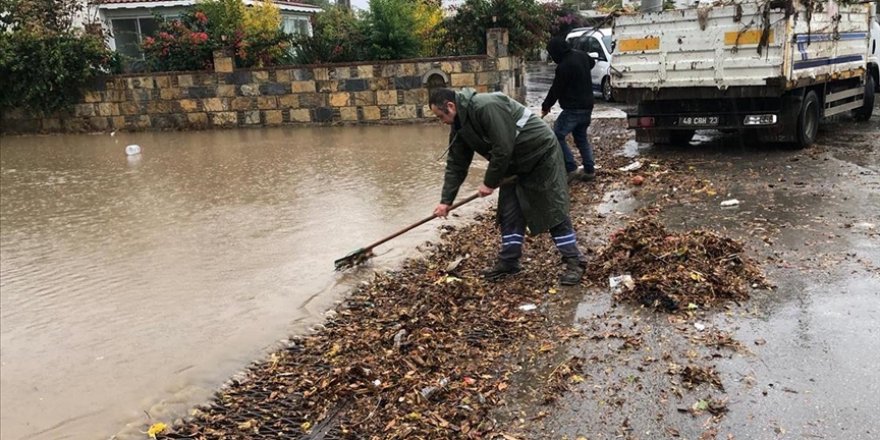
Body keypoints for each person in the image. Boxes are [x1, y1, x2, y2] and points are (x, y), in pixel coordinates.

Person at [428, 87, 587, 285]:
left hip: (540, 156)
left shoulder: (486, 106)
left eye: (439, 116)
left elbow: (503, 148)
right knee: (509, 212)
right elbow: (456, 165)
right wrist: (446, 201)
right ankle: (509, 262)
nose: (441, 122)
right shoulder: (460, 126)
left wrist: (489, 183)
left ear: (450, 106)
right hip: (514, 164)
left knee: (552, 209)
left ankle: (575, 262)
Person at [541, 35, 596, 182]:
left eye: (552, 54)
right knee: (581, 137)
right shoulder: (581, 56)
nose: (552, 58)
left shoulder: (564, 66)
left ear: (556, 52)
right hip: (587, 107)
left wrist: (546, 106)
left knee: (557, 135)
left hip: (573, 109)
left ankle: (571, 168)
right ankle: (589, 170)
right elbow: (591, 63)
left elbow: (556, 89)